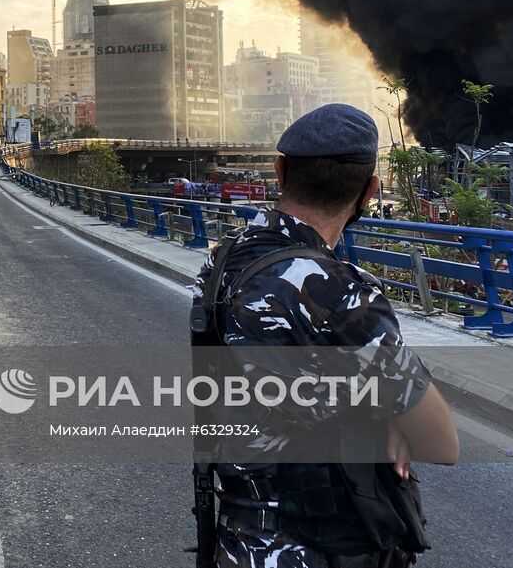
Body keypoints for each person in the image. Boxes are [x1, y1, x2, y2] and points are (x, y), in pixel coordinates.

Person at [191, 104, 458, 568]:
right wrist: (390, 421)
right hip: (318, 550)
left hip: (240, 542)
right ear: (371, 191)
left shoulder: (224, 262)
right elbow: (441, 442)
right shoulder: (337, 290)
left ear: (280, 171)